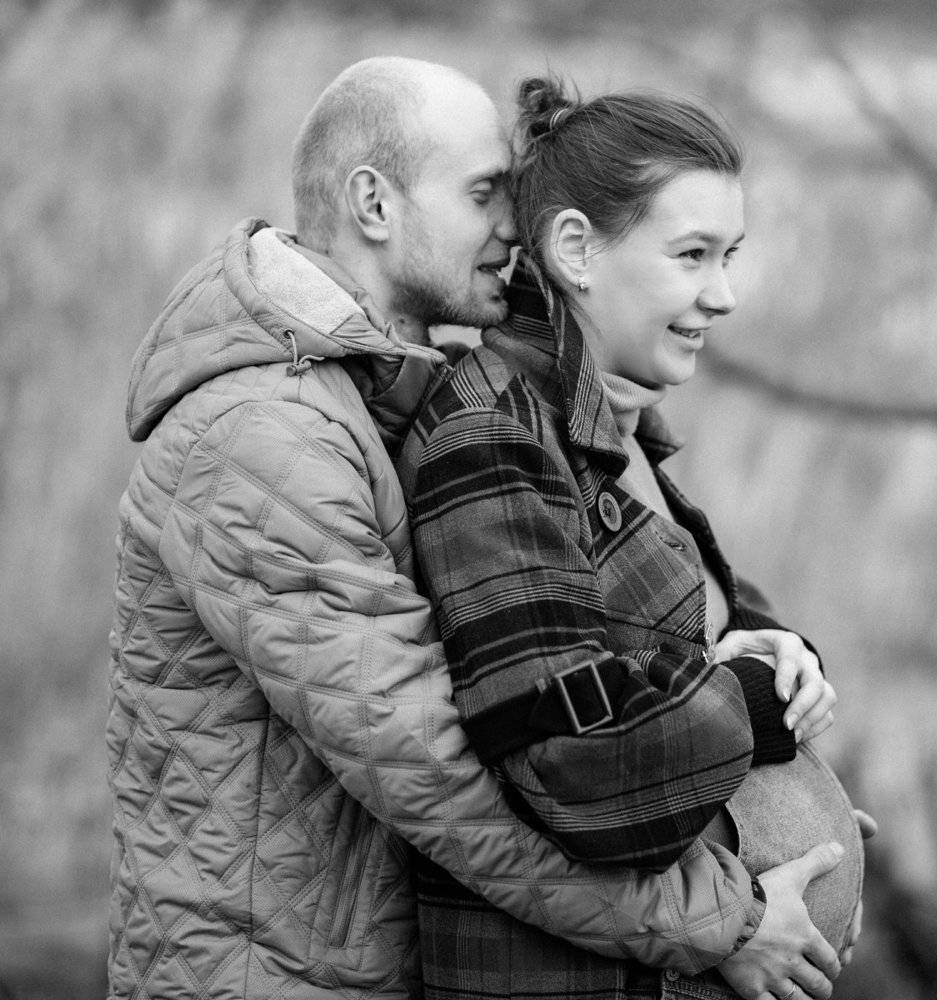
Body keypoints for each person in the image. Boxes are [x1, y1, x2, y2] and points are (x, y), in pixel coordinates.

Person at [107, 56, 847, 1000]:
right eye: (483, 193)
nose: (513, 225)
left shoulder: (387, 391)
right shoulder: (263, 440)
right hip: (267, 977)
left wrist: (774, 802)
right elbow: (446, 780)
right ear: (375, 204)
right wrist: (725, 917)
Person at [401, 76, 867, 1000]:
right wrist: (757, 703)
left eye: (730, 256)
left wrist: (781, 653)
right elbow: (572, 756)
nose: (723, 295)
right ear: (576, 248)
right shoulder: (493, 433)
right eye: (692, 255)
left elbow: (679, 625)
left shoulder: (615, 426)